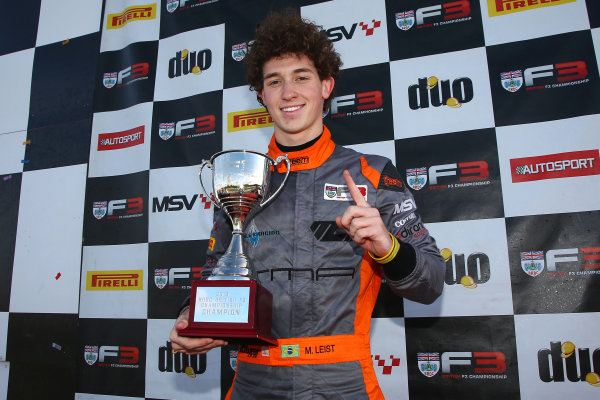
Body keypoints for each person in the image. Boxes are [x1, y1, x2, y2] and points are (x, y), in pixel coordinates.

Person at [170, 11, 445, 399]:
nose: (289, 92)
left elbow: (431, 282)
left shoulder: (373, 174)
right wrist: (190, 317)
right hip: (253, 381)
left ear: (326, 86)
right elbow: (217, 269)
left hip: (342, 382)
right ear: (261, 95)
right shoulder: (241, 182)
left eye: (302, 77)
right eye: (275, 82)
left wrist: (388, 249)